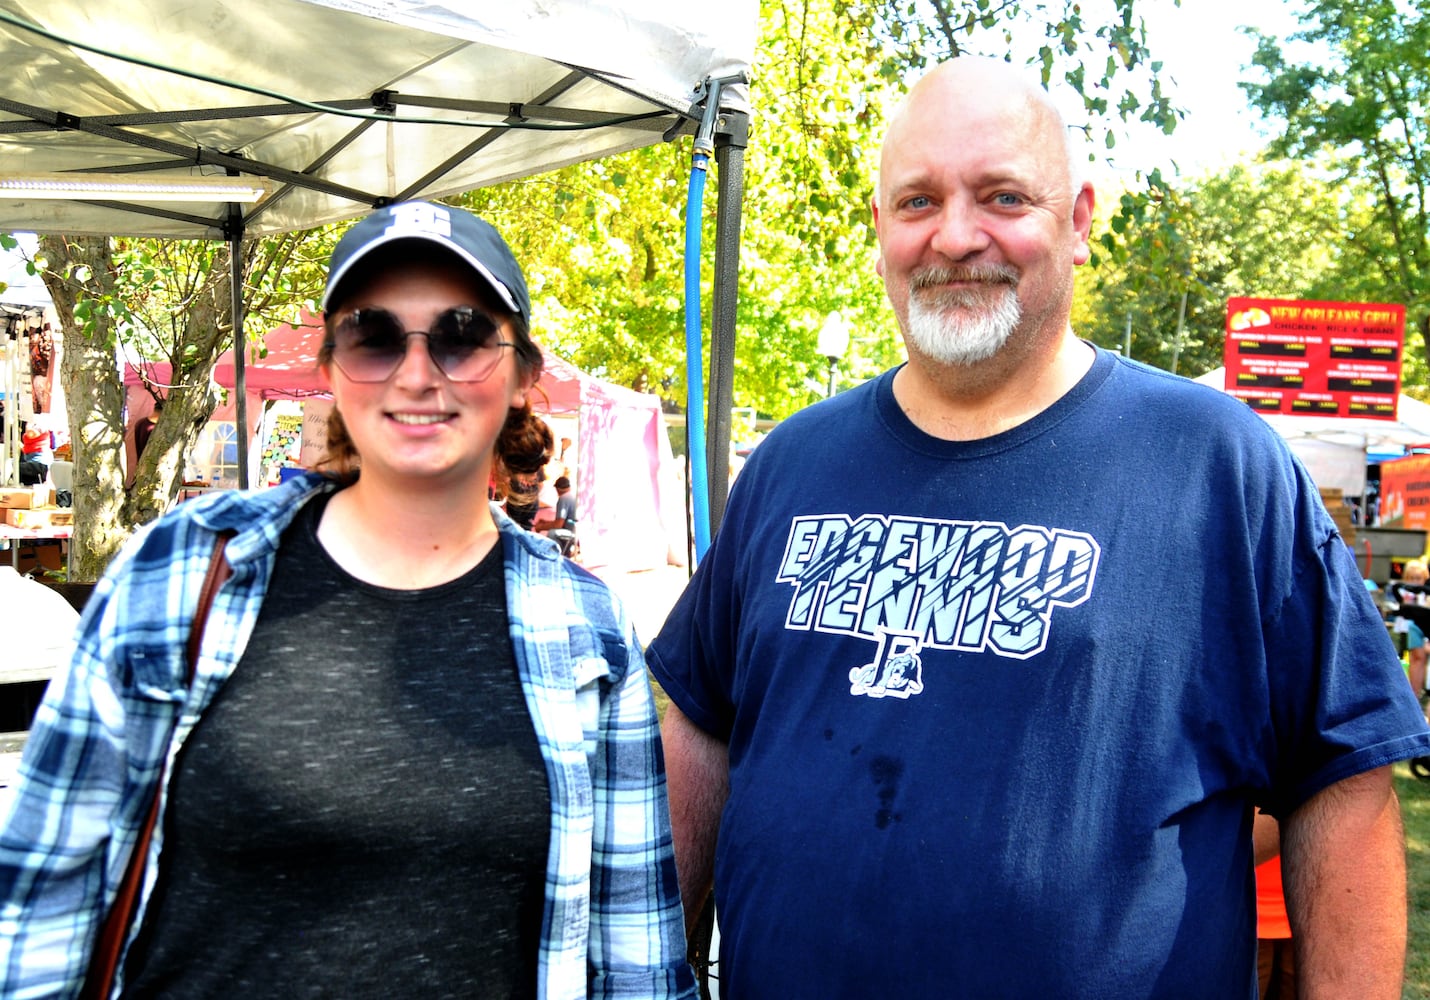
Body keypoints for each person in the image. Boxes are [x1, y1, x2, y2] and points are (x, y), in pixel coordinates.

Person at [647, 57, 1430, 998]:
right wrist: (658, 965)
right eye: (918, 201)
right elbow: (700, 725)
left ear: (1079, 219)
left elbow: (1341, 782)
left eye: (1003, 196)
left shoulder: (1216, 465)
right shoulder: (791, 464)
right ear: (881, 228)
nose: (956, 235)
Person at [0, 200, 695, 999]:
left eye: (464, 335)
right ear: (330, 369)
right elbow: (40, 901)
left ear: (522, 377)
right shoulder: (186, 569)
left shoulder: (587, 631)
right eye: (374, 335)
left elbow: (635, 955)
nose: (416, 372)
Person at [1388, 558, 1430, 707]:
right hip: (1410, 627)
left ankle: (1418, 694)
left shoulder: (1425, 594)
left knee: (1421, 658)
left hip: (1423, 628)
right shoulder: (1403, 591)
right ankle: (1413, 696)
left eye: (1418, 578)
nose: (1414, 582)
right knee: (1415, 658)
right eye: (1411, 578)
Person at [535, 475, 578, 556]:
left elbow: (558, 524)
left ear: (558, 489)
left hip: (570, 531)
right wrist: (546, 523)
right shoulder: (571, 496)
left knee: (552, 533)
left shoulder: (563, 498)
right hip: (572, 528)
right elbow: (560, 522)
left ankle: (554, 557)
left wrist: (540, 527)